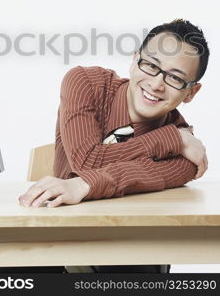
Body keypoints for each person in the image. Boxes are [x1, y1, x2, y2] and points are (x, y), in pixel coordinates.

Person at [17, 18, 209, 274]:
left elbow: (86, 172)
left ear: (191, 93)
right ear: (134, 60)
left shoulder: (188, 155)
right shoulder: (85, 83)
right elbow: (87, 161)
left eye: (175, 78)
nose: (156, 83)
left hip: (131, 250)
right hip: (57, 240)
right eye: (150, 65)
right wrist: (170, 139)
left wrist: (83, 184)